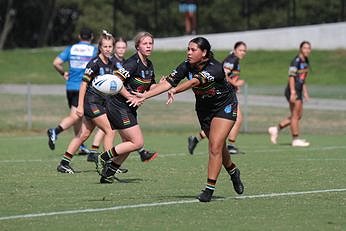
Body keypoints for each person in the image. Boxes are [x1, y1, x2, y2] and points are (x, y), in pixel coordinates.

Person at [128, 37, 244, 202]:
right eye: (188, 49)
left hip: (224, 106)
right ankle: (233, 171)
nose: (189, 53)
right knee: (217, 146)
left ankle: (209, 189)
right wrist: (145, 96)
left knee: (215, 146)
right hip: (204, 110)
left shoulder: (215, 67)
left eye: (193, 50)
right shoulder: (185, 65)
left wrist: (176, 90)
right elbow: (168, 82)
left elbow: (193, 82)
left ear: (204, 53)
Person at [97, 32, 158, 183]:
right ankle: (103, 157)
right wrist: (130, 96)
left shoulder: (149, 65)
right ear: (138, 46)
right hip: (118, 106)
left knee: (128, 144)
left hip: (128, 108)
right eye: (145, 43)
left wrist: (166, 87)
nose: (148, 46)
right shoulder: (132, 63)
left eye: (150, 43)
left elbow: (152, 86)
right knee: (137, 143)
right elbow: (116, 81)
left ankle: (107, 174)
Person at [56, 30, 118, 173]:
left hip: (99, 103)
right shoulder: (94, 63)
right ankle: (108, 164)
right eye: (105, 47)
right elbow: (84, 84)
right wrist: (80, 105)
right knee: (109, 130)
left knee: (83, 134)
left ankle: (64, 163)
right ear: (100, 48)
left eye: (110, 47)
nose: (108, 49)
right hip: (91, 103)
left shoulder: (111, 63)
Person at [188, 41, 247, 155]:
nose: (243, 53)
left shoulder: (234, 60)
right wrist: (235, 84)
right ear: (235, 50)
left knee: (214, 126)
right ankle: (230, 145)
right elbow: (223, 73)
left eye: (244, 51)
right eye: (240, 50)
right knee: (238, 118)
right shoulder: (232, 59)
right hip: (225, 95)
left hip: (225, 93)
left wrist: (234, 84)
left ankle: (195, 139)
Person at [48, 27, 97, 154]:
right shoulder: (93, 50)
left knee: (78, 117)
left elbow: (56, 62)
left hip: (70, 87)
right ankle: (55, 131)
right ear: (91, 37)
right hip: (83, 87)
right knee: (75, 116)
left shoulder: (72, 48)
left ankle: (80, 145)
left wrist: (63, 73)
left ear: (79, 37)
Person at [268, 41, 312, 147]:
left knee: (298, 115)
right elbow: (291, 77)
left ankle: (276, 129)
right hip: (293, 90)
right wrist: (292, 92)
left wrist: (305, 91)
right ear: (300, 49)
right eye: (305, 48)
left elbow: (302, 78)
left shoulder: (305, 61)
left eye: (309, 48)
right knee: (295, 116)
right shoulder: (295, 61)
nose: (307, 50)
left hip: (299, 90)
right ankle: (295, 139)